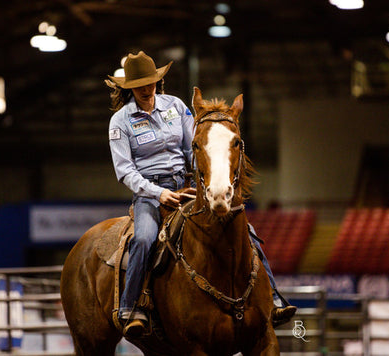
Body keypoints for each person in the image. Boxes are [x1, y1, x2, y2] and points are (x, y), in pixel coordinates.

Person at [106, 51, 295, 338]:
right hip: (149, 194)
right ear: (128, 87)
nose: (147, 89)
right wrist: (158, 194)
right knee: (144, 239)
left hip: (188, 187)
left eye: (151, 82)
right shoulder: (120, 122)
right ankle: (131, 308)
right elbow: (125, 171)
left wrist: (205, 182)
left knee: (247, 230)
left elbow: (194, 147)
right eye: (141, 84)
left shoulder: (176, 106)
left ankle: (275, 299)